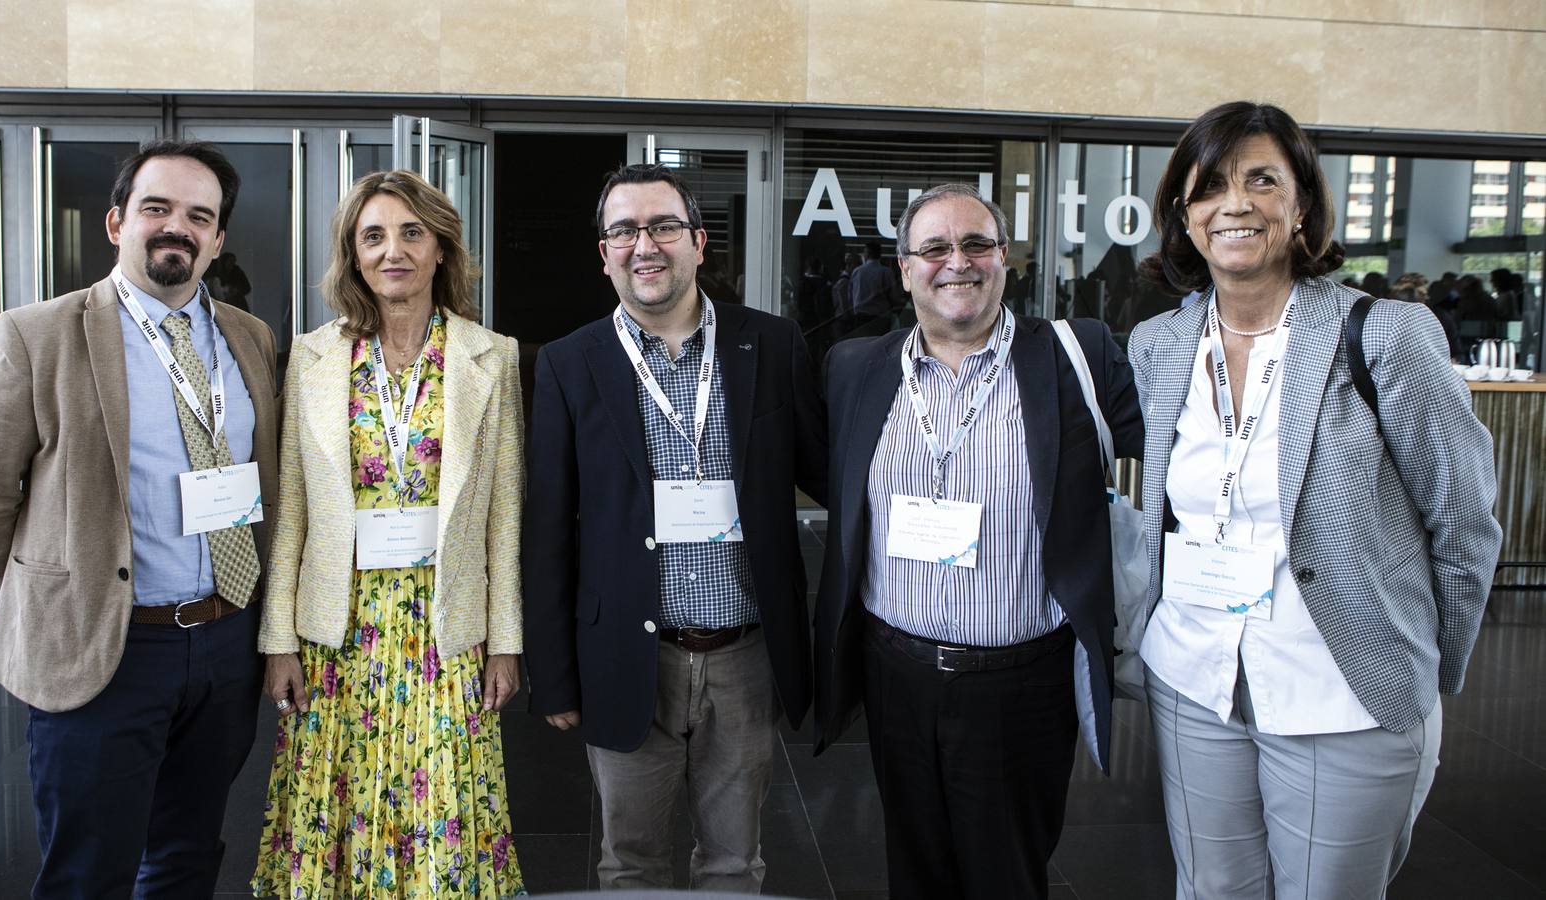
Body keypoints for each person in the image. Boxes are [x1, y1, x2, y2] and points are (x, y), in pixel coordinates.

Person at [1126, 101, 1501, 900]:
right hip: (1194, 678)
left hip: (1344, 691)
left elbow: (1463, 522)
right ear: (1183, 217)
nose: (1235, 203)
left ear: (1301, 208)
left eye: (1261, 180)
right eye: (1209, 187)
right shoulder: (1156, 344)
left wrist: (1421, 672)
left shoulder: (1385, 335)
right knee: (1211, 889)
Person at [0, 139, 279, 897]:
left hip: (225, 644)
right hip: (109, 649)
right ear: (116, 222)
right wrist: (57, 596)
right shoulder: (38, 334)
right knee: (89, 871)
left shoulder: (248, 337)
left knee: (188, 853)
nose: (177, 228)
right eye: (156, 208)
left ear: (218, 238)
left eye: (200, 216)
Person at [812, 182, 1143, 900]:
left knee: (1007, 875)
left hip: (1021, 684)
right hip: (894, 673)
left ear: (1002, 260)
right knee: (915, 871)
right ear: (903, 268)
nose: (954, 262)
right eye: (933, 248)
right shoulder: (854, 369)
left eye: (975, 245)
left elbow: (1178, 445)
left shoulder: (1072, 355)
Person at [522, 163, 827, 892]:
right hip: (626, 655)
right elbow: (547, 530)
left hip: (744, 657)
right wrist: (555, 676)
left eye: (661, 226)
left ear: (696, 242)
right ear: (603, 253)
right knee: (628, 865)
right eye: (623, 230)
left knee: (734, 862)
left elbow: (830, 474)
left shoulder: (773, 344)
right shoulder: (568, 363)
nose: (643, 244)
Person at [251, 169, 526, 897]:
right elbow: (293, 515)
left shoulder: (491, 356)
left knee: (445, 810)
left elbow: (504, 514)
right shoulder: (310, 358)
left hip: (445, 629)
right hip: (337, 632)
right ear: (352, 253)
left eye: (412, 232)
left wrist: (506, 641)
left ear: (441, 249)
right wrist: (277, 637)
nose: (392, 250)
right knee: (333, 805)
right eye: (372, 235)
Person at [846, 240, 896, 332]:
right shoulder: (886, 272)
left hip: (861, 316)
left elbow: (850, 296)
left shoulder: (857, 271)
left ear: (867, 254)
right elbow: (893, 295)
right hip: (881, 316)